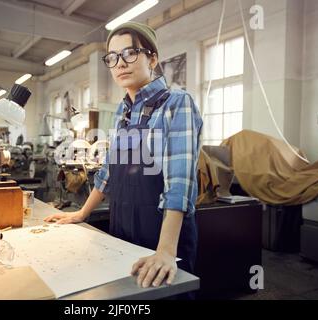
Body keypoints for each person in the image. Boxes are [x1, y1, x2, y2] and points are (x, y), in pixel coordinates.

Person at [44, 22, 203, 294]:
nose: (120, 64)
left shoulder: (177, 103)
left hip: (162, 233)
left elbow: (179, 184)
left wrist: (165, 251)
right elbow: (108, 171)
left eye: (130, 53)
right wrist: (83, 213)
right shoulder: (123, 111)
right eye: (113, 57)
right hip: (123, 227)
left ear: (152, 58)